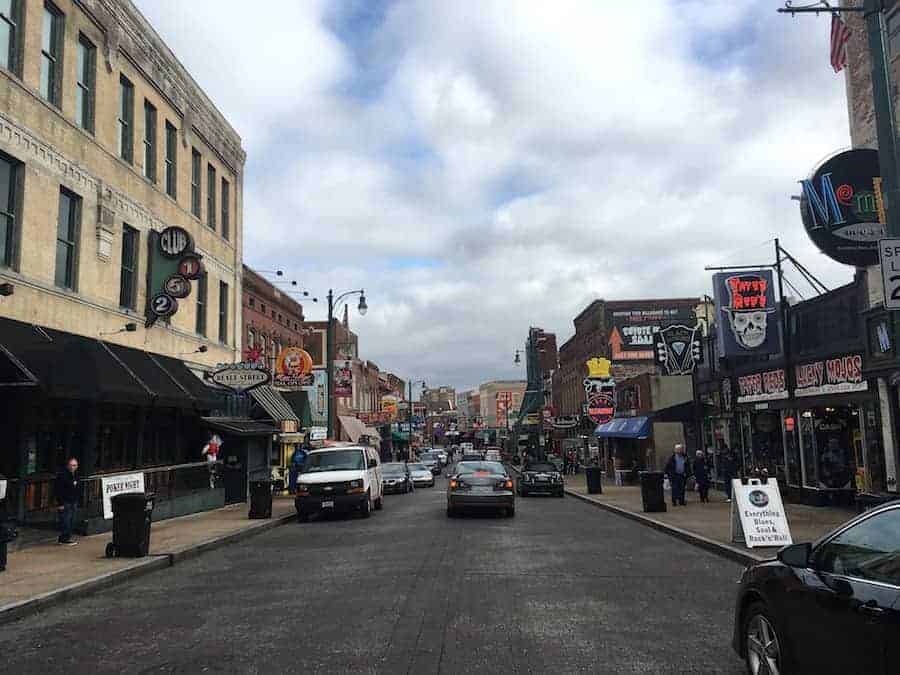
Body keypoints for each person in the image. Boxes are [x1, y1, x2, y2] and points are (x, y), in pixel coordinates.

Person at [55, 457, 81, 545]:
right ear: (68, 466)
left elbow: (78, 487)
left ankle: (67, 537)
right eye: (72, 465)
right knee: (66, 519)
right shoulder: (62, 475)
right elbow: (58, 490)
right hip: (66, 501)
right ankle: (64, 538)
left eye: (75, 465)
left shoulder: (76, 475)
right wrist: (60, 503)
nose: (74, 467)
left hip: (74, 500)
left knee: (72, 520)